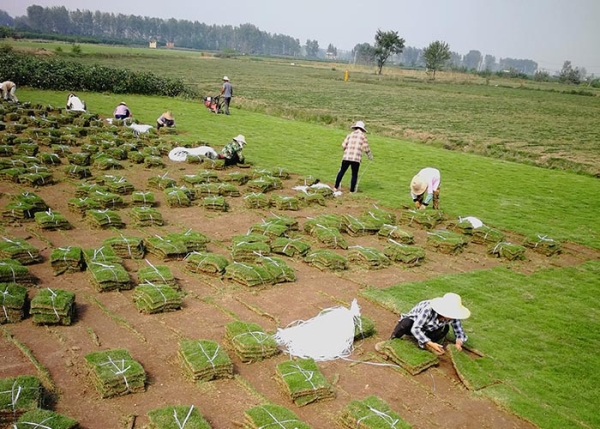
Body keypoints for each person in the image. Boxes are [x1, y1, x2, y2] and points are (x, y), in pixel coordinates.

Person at [377, 293, 470, 356]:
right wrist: (430, 343)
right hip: (412, 325)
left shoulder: (453, 315)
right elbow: (416, 328)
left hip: (429, 328)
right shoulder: (428, 309)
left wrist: (459, 343)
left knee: (445, 328)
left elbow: (459, 331)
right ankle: (391, 341)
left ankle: (426, 343)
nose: (453, 317)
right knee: (406, 323)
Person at [333, 120, 373, 193]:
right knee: (354, 174)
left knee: (342, 171)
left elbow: (343, 145)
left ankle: (335, 187)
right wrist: (370, 156)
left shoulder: (350, 135)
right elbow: (366, 148)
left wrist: (346, 150)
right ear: (362, 129)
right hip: (356, 159)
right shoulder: (363, 136)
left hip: (346, 157)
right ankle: (351, 191)